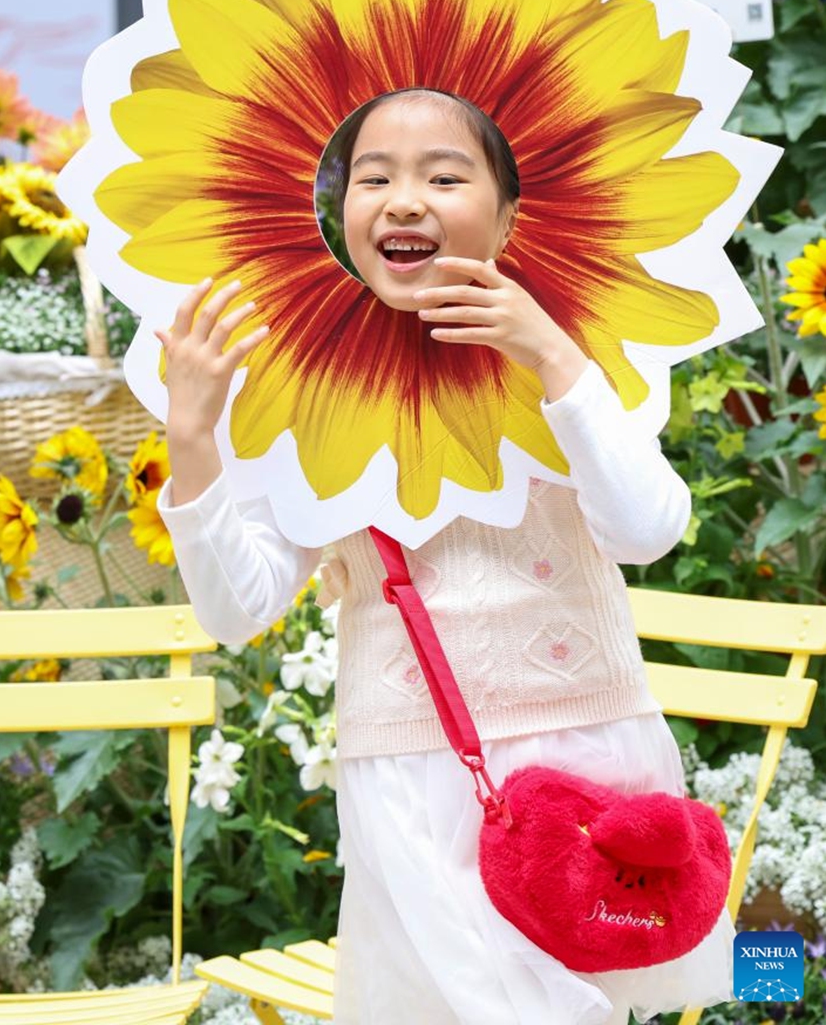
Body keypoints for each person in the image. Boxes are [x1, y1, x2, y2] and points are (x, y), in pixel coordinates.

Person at [156, 88, 735, 1024]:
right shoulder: (301, 379)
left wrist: (550, 354)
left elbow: (648, 531)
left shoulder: (576, 349)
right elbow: (238, 608)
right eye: (372, 177)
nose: (403, 199)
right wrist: (194, 438)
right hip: (411, 773)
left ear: (508, 216)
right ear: (337, 212)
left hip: (589, 752)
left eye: (444, 175)